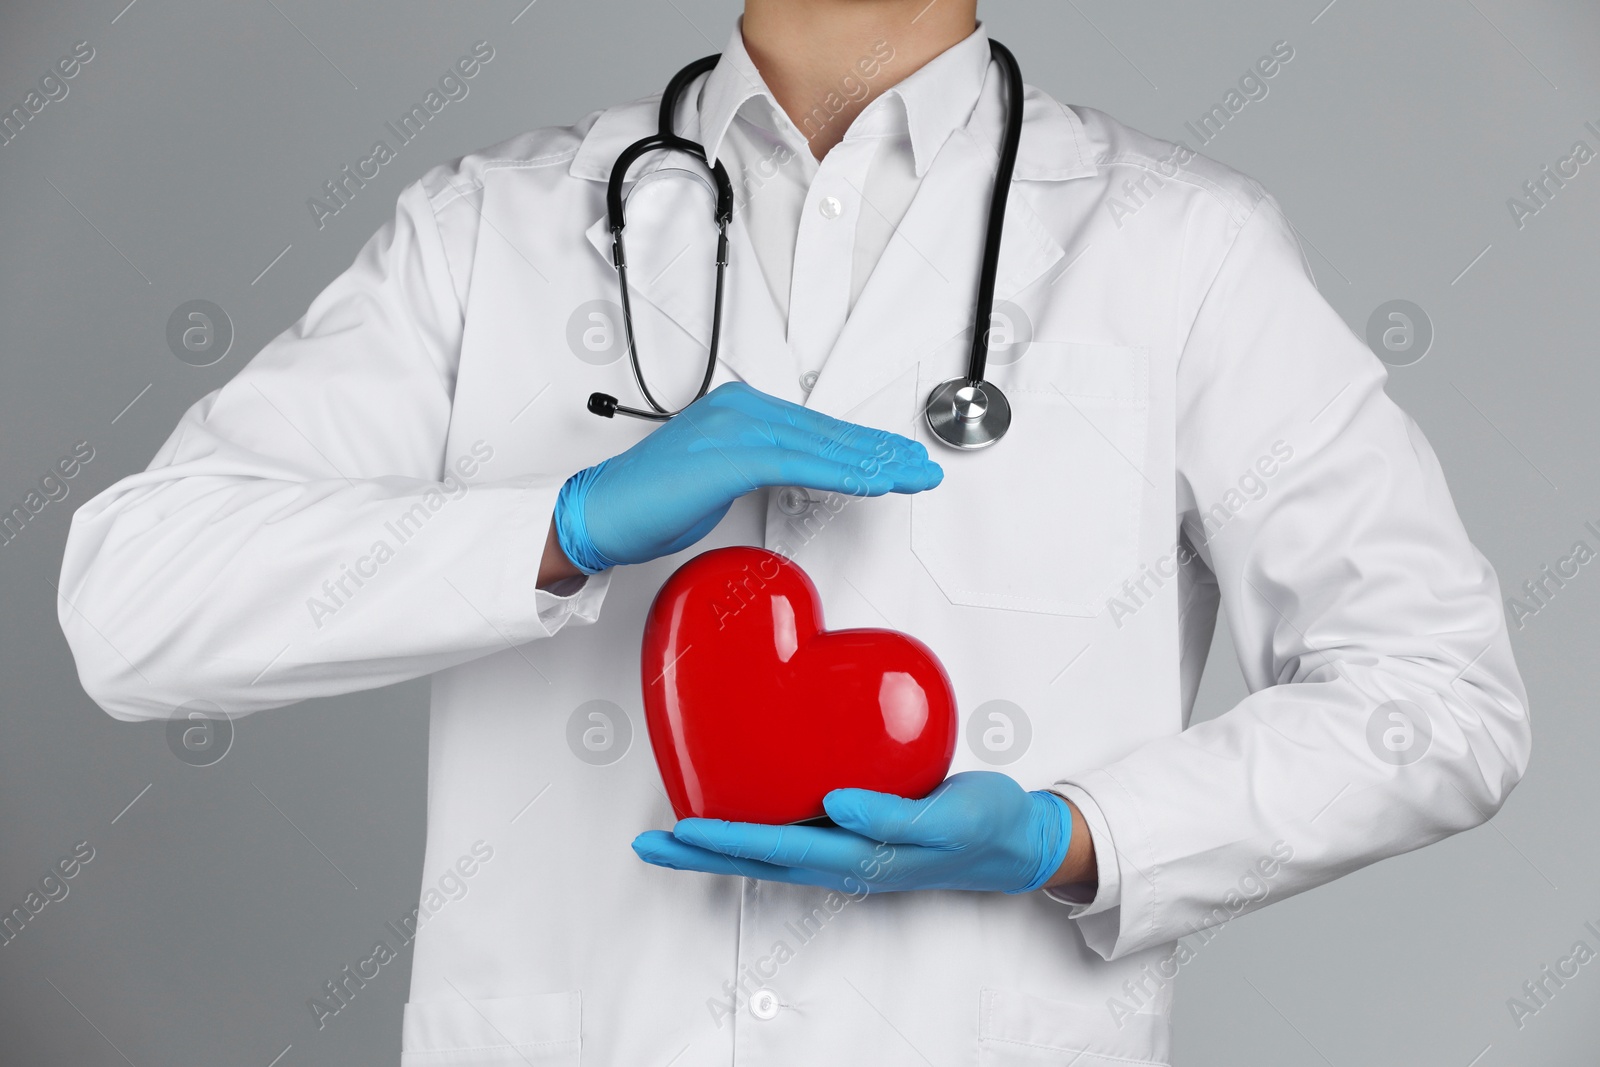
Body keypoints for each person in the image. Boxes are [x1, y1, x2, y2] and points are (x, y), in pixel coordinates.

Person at [58, 1, 1529, 1063]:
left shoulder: (1180, 248)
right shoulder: (491, 233)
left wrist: (1071, 838)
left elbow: (1438, 701)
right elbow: (129, 606)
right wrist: (556, 530)